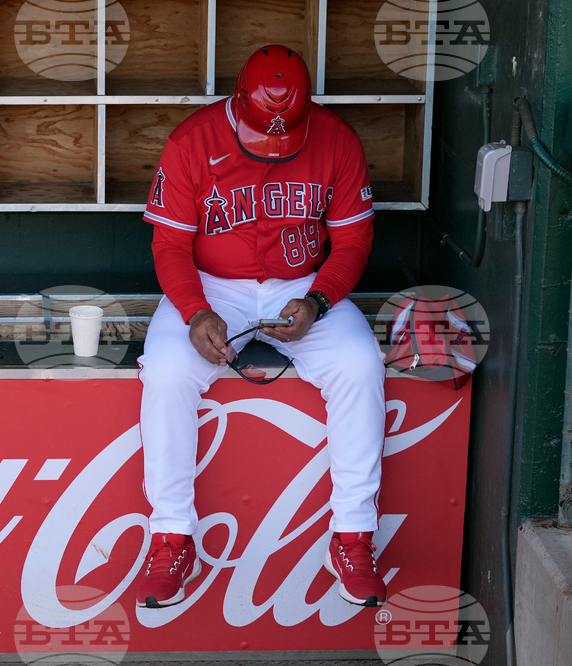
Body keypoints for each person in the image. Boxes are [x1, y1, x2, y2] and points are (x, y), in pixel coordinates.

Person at [135, 45, 388, 609]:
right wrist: (195, 309)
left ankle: (352, 535)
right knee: (170, 372)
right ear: (240, 99)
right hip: (212, 284)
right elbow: (170, 243)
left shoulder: (336, 139)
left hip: (303, 283)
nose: (274, 145)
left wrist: (319, 300)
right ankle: (171, 536)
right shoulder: (192, 141)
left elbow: (352, 240)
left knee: (359, 364)